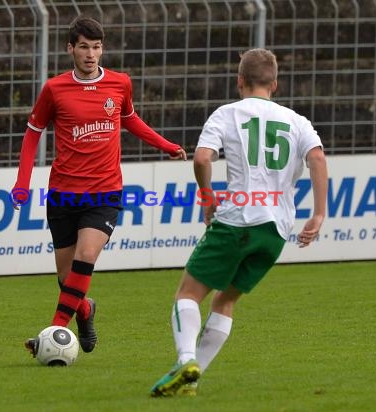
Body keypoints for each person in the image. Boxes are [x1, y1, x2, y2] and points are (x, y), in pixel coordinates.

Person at [149, 48, 328, 397]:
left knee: (188, 293)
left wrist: (207, 195)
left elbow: (202, 158)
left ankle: (186, 358)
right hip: (275, 229)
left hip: (236, 219)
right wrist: (318, 213)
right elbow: (317, 159)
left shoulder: (227, 114)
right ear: (274, 83)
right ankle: (191, 380)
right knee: (225, 302)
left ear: (239, 80)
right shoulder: (297, 121)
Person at [11, 15, 187, 356]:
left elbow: (130, 118)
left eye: (96, 47)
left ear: (102, 49)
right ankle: (86, 310)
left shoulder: (120, 84)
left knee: (86, 255)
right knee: (68, 280)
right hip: (63, 193)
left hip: (104, 191)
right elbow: (33, 134)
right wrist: (22, 184)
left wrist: (165, 145)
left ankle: (53, 332)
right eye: (83, 47)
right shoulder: (54, 89)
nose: (91, 54)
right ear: (70, 49)